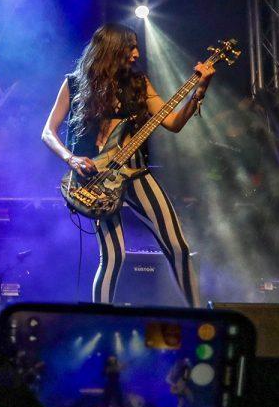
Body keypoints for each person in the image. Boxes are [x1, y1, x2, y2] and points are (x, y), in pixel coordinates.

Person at [41, 23, 214, 306]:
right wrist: (70, 158)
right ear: (112, 49)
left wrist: (200, 90)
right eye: (130, 47)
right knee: (113, 257)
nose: (136, 53)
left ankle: (199, 316)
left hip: (136, 174)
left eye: (136, 47)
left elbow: (173, 123)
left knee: (178, 247)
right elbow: (48, 131)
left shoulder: (139, 83)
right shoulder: (74, 83)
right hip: (96, 180)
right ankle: (101, 321)